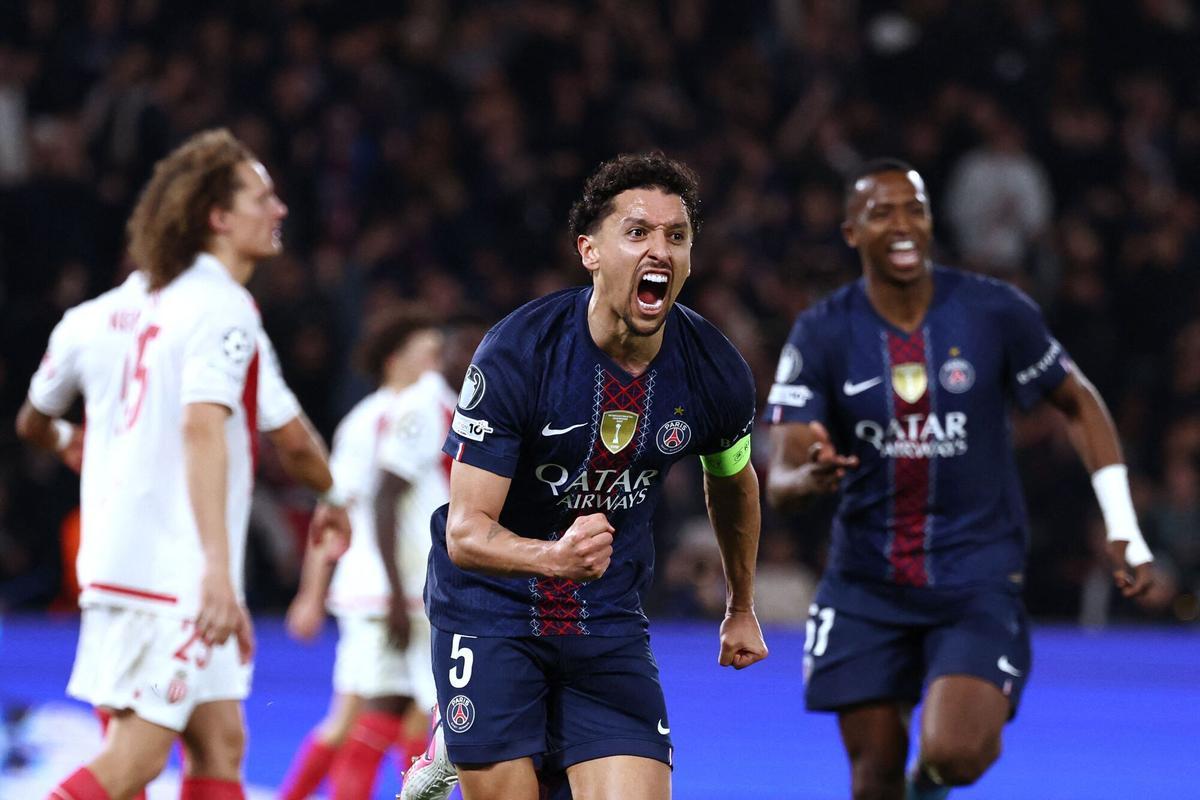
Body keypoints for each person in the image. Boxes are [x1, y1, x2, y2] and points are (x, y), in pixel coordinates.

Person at [763, 158, 1155, 800]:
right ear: (852, 233)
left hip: (975, 577)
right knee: (874, 776)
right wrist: (807, 477)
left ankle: (930, 786)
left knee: (954, 754)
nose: (902, 224)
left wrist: (1122, 525)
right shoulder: (822, 331)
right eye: (881, 213)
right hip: (866, 582)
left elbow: (1078, 402)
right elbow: (781, 473)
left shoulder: (993, 310)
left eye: (914, 209)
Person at [419, 152, 768, 800]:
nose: (660, 249)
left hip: (605, 619)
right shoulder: (519, 352)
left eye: (676, 235)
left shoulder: (715, 371)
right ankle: (453, 736)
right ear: (590, 251)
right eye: (637, 232)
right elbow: (465, 534)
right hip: (491, 610)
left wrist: (740, 605)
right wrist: (553, 558)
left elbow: (732, 479)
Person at [23, 127, 344, 800]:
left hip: (116, 562)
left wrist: (67, 441)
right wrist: (221, 573)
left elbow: (32, 420)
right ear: (217, 217)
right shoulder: (223, 309)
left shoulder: (100, 315)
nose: (280, 208)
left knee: (219, 742)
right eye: (262, 197)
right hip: (175, 574)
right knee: (134, 762)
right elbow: (230, 431)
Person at [279, 309, 458, 800]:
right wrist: (311, 592)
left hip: (398, 585)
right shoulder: (370, 423)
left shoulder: (418, 410)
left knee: (401, 718)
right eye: (428, 353)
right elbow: (334, 511)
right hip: (381, 586)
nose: (438, 362)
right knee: (365, 718)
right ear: (395, 360)